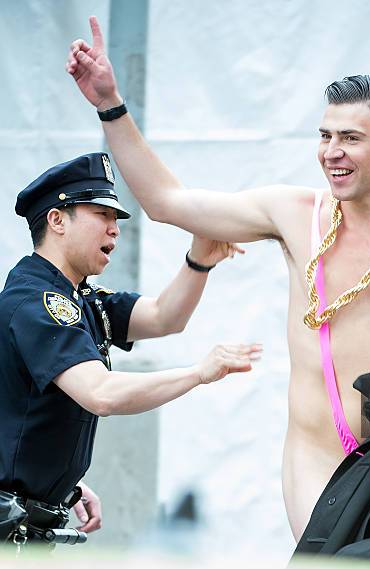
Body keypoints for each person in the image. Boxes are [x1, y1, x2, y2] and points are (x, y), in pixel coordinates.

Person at [66, 17, 370, 569]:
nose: (332, 151)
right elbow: (166, 201)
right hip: (318, 457)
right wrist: (110, 104)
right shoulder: (293, 213)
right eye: (325, 136)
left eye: (351, 138)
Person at [0, 151, 262, 548]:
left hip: (28, 525)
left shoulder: (77, 297)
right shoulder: (37, 302)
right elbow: (101, 394)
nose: (114, 230)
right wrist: (198, 373)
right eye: (101, 215)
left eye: (116, 220)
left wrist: (199, 261)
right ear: (57, 220)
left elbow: (163, 317)